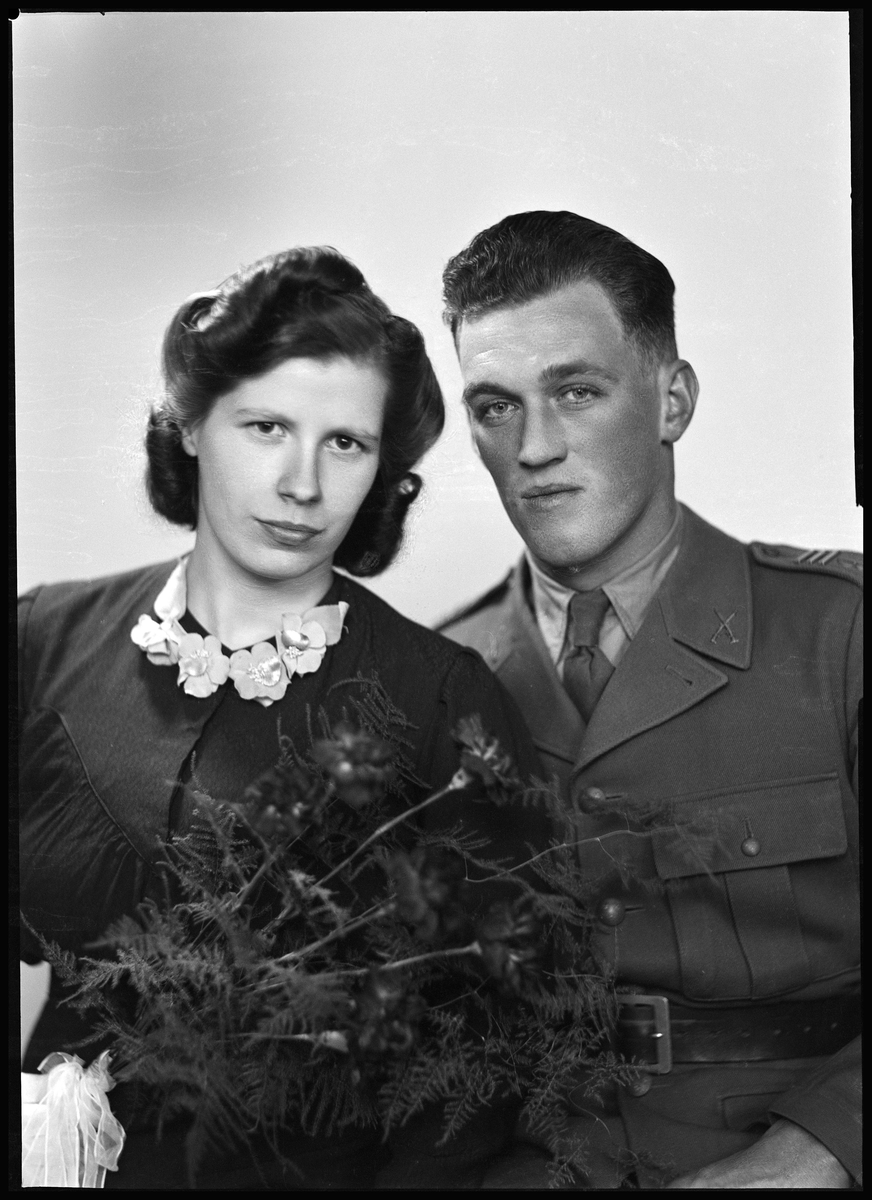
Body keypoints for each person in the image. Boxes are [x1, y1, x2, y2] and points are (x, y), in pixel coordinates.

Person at [17, 246, 547, 1190]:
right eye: (267, 427)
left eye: (346, 444)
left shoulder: (441, 702)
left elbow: (487, 1055)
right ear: (190, 425)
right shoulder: (43, 642)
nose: (303, 484)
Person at [437, 211, 861, 1189]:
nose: (533, 447)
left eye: (575, 391)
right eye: (495, 407)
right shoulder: (435, 679)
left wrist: (819, 1153)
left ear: (672, 401)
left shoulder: (838, 636)